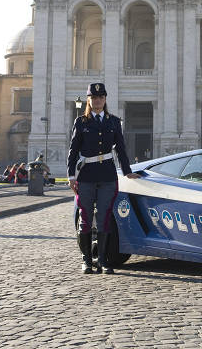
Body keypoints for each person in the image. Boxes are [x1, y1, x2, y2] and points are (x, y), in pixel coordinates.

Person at [68, 82, 140, 274]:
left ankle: (103, 260)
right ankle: (87, 261)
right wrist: (71, 176)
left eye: (100, 97)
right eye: (93, 98)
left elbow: (121, 150)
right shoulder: (81, 123)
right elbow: (73, 151)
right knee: (85, 219)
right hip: (86, 176)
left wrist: (127, 171)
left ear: (105, 99)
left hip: (107, 175)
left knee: (104, 219)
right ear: (88, 100)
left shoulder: (114, 122)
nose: (97, 100)